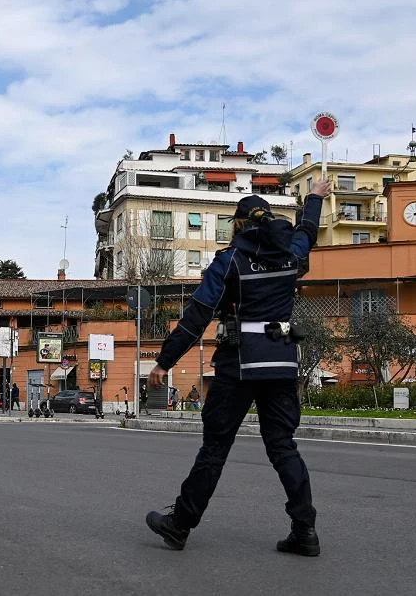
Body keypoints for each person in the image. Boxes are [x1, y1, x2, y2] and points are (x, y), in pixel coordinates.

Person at [145, 178, 330, 557]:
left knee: (215, 449)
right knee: (283, 447)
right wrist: (314, 198)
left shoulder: (229, 260)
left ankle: (180, 524)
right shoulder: (291, 256)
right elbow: (308, 232)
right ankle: (304, 530)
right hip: (281, 363)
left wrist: (165, 361)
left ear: (238, 225)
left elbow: (197, 316)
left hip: (239, 364)